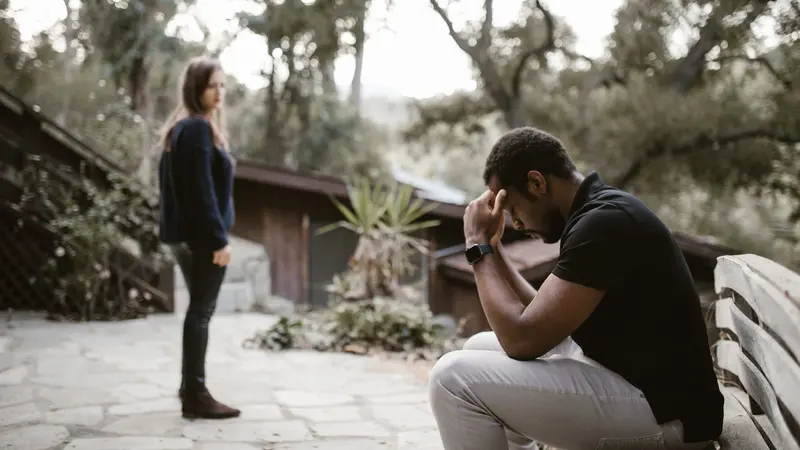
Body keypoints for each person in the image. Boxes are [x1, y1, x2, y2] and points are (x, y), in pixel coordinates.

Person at [429, 127, 723, 450]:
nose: (517, 223)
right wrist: (493, 248)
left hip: (668, 414)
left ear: (536, 183)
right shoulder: (595, 212)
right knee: (476, 348)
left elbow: (521, 340)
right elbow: (538, 317)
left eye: (512, 209)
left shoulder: (603, 223)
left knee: (452, 378)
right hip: (635, 384)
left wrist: (475, 246)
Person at [157, 56, 240, 419]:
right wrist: (218, 239)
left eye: (222, 85)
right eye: (212, 85)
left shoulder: (185, 127)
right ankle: (196, 394)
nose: (219, 92)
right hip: (201, 239)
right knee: (200, 313)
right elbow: (200, 192)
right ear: (196, 88)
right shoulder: (195, 129)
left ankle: (190, 387)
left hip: (189, 237)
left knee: (198, 311)